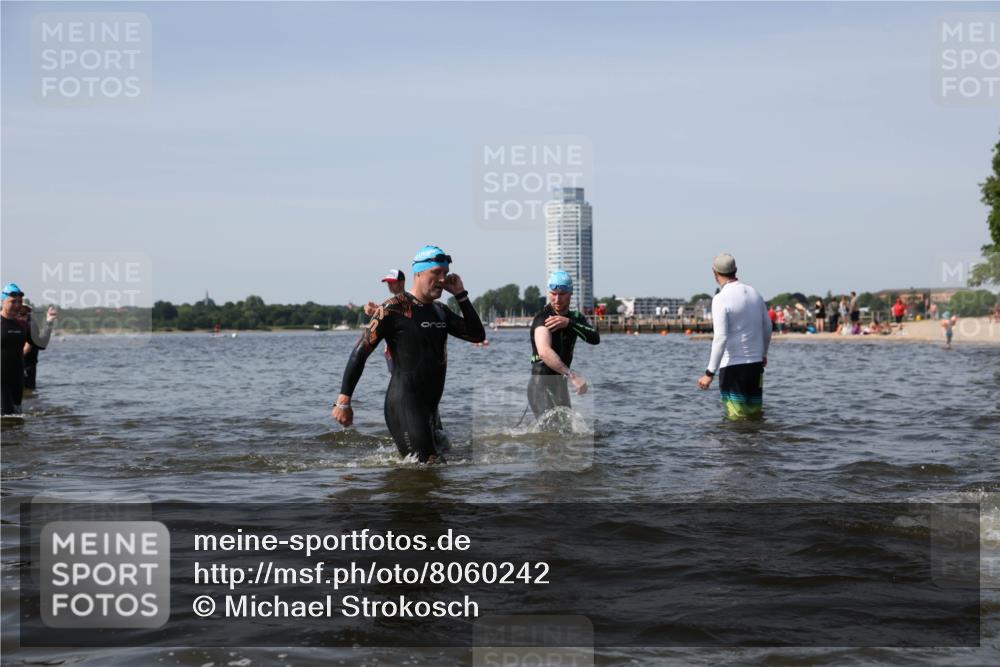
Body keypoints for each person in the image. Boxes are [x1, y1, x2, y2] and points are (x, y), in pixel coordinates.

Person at [332, 246, 485, 463]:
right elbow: (360, 352)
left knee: (440, 472)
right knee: (431, 467)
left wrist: (461, 295)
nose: (442, 279)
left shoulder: (440, 310)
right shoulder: (393, 308)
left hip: (431, 409)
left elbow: (477, 335)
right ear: (419, 273)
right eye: (436, 272)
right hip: (405, 405)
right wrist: (343, 401)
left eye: (445, 273)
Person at [697, 254, 772, 420]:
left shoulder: (720, 298)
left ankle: (737, 447)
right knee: (754, 415)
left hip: (733, 367)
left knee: (736, 419)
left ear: (714, 272)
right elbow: (768, 326)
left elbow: (720, 338)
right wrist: (763, 354)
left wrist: (709, 373)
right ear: (735, 270)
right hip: (755, 365)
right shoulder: (754, 293)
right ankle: (755, 445)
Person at [526, 270, 600, 418]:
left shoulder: (575, 318)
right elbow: (544, 352)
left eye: (562, 294)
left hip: (560, 383)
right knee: (549, 431)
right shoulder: (543, 319)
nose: (557, 299)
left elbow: (595, 339)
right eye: (553, 294)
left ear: (571, 293)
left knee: (566, 431)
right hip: (541, 382)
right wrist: (572, 376)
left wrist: (569, 324)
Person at [364, 269, 406, 373]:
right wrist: (374, 310)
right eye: (388, 282)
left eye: (392, 282)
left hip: (402, 351)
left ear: (402, 282)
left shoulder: (409, 300)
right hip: (391, 351)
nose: (389, 285)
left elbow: (399, 314)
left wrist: (377, 311)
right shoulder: (389, 303)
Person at [1, 283, 28, 415]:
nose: (17, 305)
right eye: (13, 301)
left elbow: (41, 344)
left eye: (20, 302)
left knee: (17, 418)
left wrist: (49, 324)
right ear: (2, 301)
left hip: (17, 378)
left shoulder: (22, 324)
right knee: (5, 416)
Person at [20, 301, 57, 390]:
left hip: (27, 366)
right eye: (18, 312)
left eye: (24, 313)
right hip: (16, 366)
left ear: (29, 312)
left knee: (28, 392)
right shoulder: (12, 323)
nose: (21, 315)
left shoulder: (31, 324)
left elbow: (28, 347)